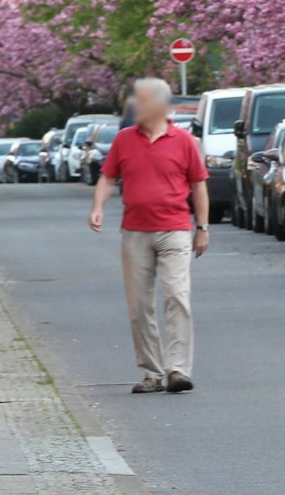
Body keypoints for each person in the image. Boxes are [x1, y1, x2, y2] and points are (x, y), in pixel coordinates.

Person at [89, 78, 209, 393]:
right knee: (139, 304)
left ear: (158, 104)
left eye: (140, 101)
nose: (134, 107)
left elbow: (198, 185)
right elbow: (107, 178)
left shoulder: (183, 141)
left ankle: (178, 370)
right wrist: (97, 207)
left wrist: (202, 228)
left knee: (177, 297)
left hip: (175, 231)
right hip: (135, 233)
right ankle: (153, 372)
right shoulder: (124, 140)